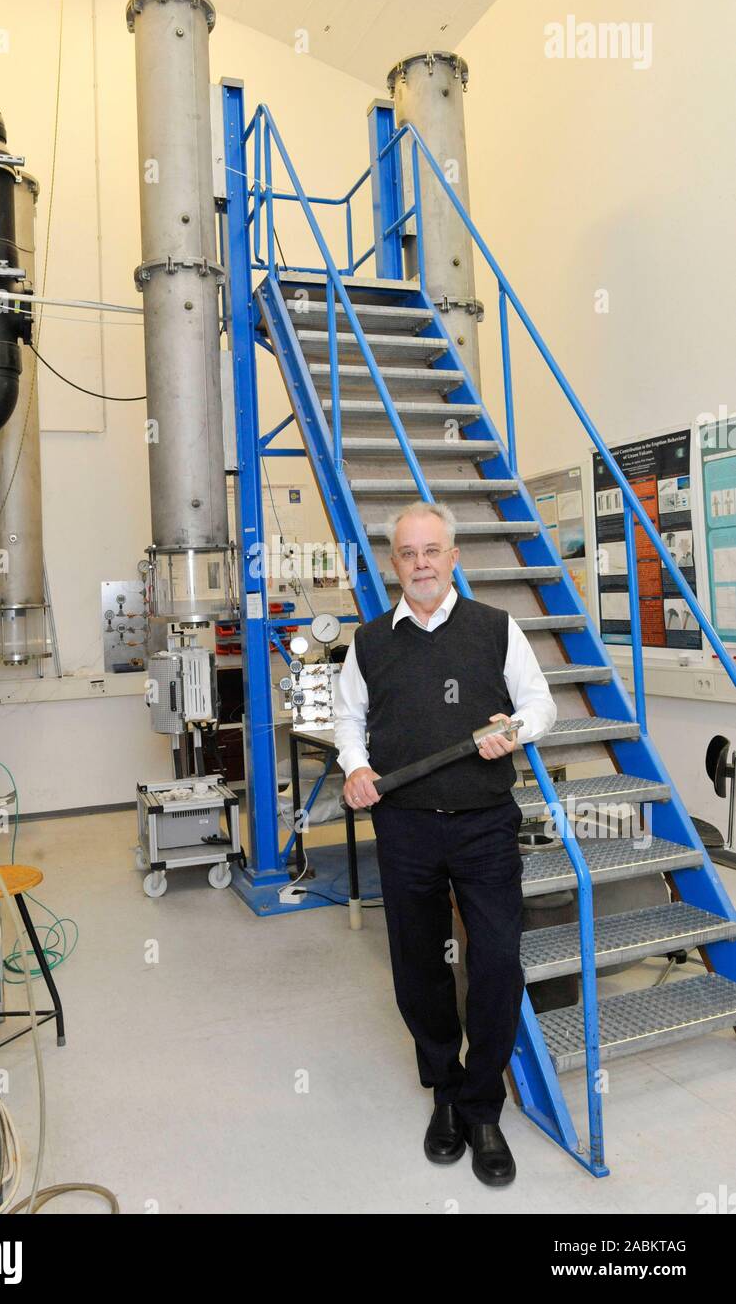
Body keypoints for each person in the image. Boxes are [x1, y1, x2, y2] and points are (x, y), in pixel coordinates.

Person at [333, 501, 557, 1186]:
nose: (421, 563)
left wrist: (513, 729)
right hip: (403, 828)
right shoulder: (369, 642)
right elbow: (348, 718)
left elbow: (540, 704)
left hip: (484, 822)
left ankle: (481, 1105)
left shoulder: (494, 629)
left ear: (453, 558)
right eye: (407, 552)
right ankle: (443, 1090)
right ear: (394, 563)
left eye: (432, 550)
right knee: (419, 964)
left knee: (493, 961)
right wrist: (354, 766)